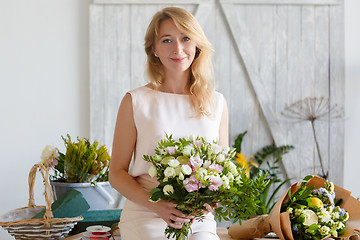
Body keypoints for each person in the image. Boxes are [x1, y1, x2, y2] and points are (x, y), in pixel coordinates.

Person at [109, 7, 228, 240]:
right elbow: (116, 173)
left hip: (198, 220)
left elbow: (221, 172)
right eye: (167, 40)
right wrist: (157, 204)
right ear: (154, 49)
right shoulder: (135, 101)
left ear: (197, 45)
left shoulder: (217, 103)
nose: (178, 49)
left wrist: (206, 204)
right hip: (146, 214)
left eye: (185, 38)